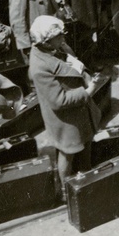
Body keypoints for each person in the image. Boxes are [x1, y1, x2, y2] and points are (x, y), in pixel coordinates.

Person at [28, 15, 98, 192]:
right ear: (46, 41)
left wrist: (86, 76)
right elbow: (59, 100)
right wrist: (86, 92)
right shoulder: (39, 67)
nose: (63, 38)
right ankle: (66, 189)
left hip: (78, 110)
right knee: (68, 152)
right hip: (64, 118)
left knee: (86, 141)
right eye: (59, 35)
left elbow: (75, 66)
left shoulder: (58, 48)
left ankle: (86, 176)